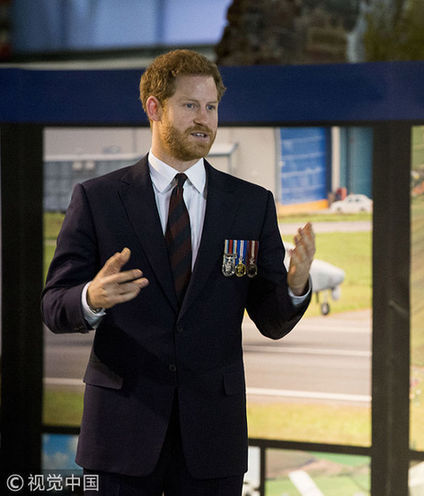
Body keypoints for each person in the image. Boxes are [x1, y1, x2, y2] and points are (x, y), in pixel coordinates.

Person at [41, 49, 315, 495]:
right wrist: (91, 297)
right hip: (120, 436)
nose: (204, 119)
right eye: (190, 105)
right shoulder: (98, 199)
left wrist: (297, 284)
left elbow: (272, 320)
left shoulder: (251, 204)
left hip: (213, 440)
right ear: (154, 108)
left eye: (211, 107)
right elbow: (54, 305)